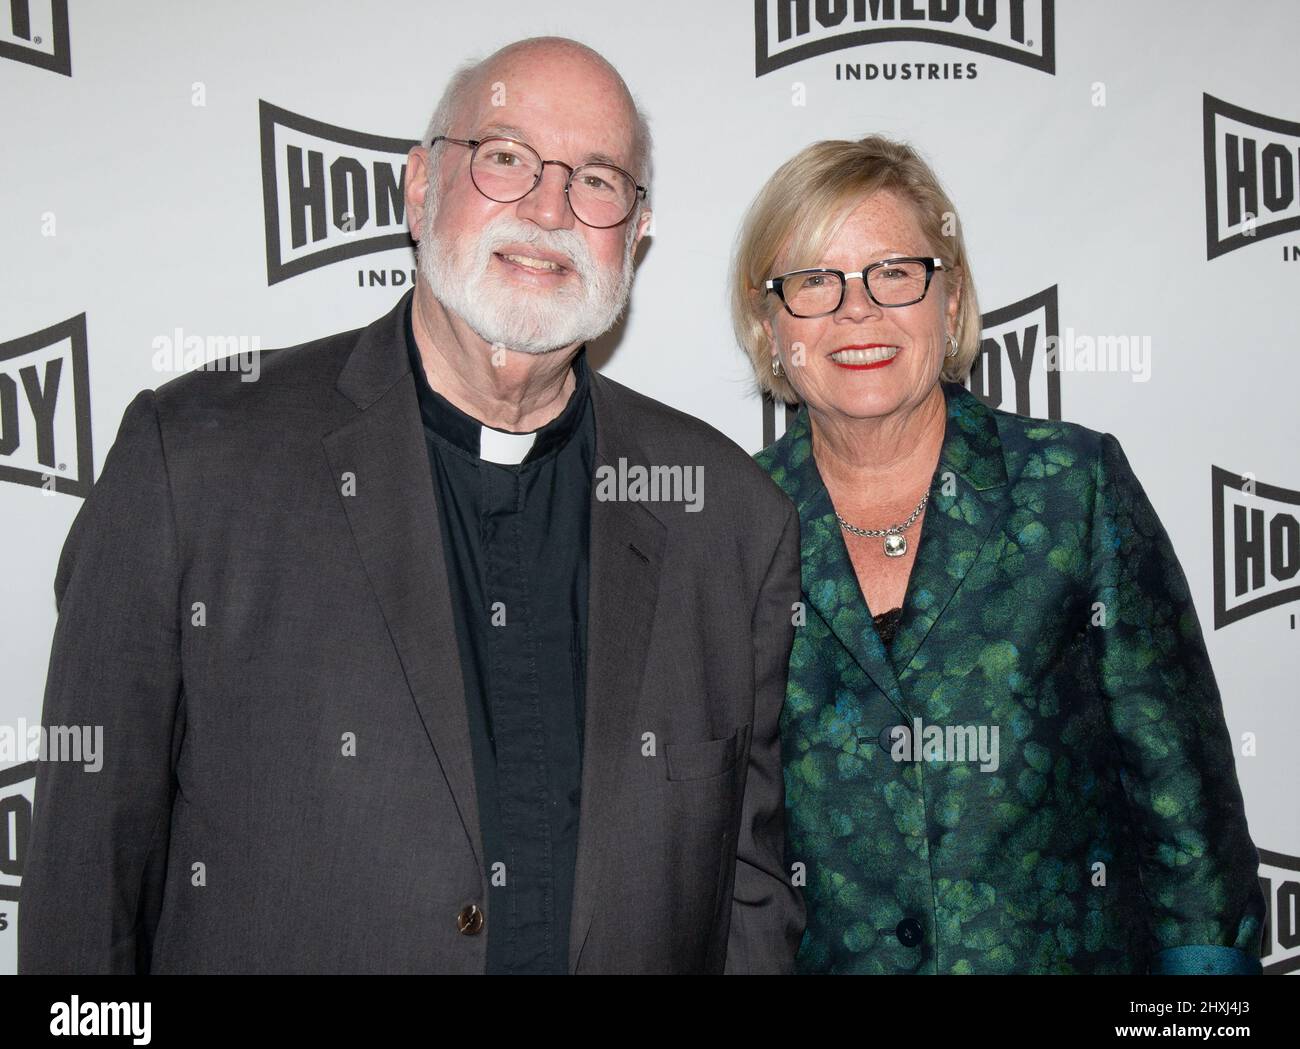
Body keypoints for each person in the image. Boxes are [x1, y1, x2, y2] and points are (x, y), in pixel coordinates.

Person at [19, 36, 803, 974]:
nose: (550, 207)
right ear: (419, 186)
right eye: (506, 157)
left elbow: (748, 909)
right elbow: (84, 892)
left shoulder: (729, 520)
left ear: (636, 233)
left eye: (598, 180)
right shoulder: (191, 464)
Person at [734, 134, 1265, 974]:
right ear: (770, 326)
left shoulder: (1071, 489)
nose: (857, 310)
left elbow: (1185, 809)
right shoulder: (731, 528)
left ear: (949, 304)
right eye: (813, 281)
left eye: (894, 272)